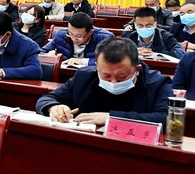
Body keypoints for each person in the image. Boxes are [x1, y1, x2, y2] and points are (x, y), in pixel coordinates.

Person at [36, 37, 172, 126]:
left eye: (121, 76)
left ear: (137, 69)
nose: (113, 82)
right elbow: (47, 99)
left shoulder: (158, 83)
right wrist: (54, 107)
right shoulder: (84, 76)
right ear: (97, 67)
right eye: (106, 76)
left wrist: (112, 118)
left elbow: (168, 119)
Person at [41, 12, 113, 66]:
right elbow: (40, 52)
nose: (73, 39)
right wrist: (48, 55)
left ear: (90, 32)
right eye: (70, 33)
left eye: (78, 36)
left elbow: (110, 61)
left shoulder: (105, 39)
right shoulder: (62, 35)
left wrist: (82, 61)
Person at [121, 7, 185, 59]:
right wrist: (133, 51)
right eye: (140, 26)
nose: (144, 28)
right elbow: (116, 51)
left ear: (155, 24)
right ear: (135, 25)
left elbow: (181, 53)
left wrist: (154, 54)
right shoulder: (128, 36)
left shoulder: (165, 36)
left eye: (148, 26)